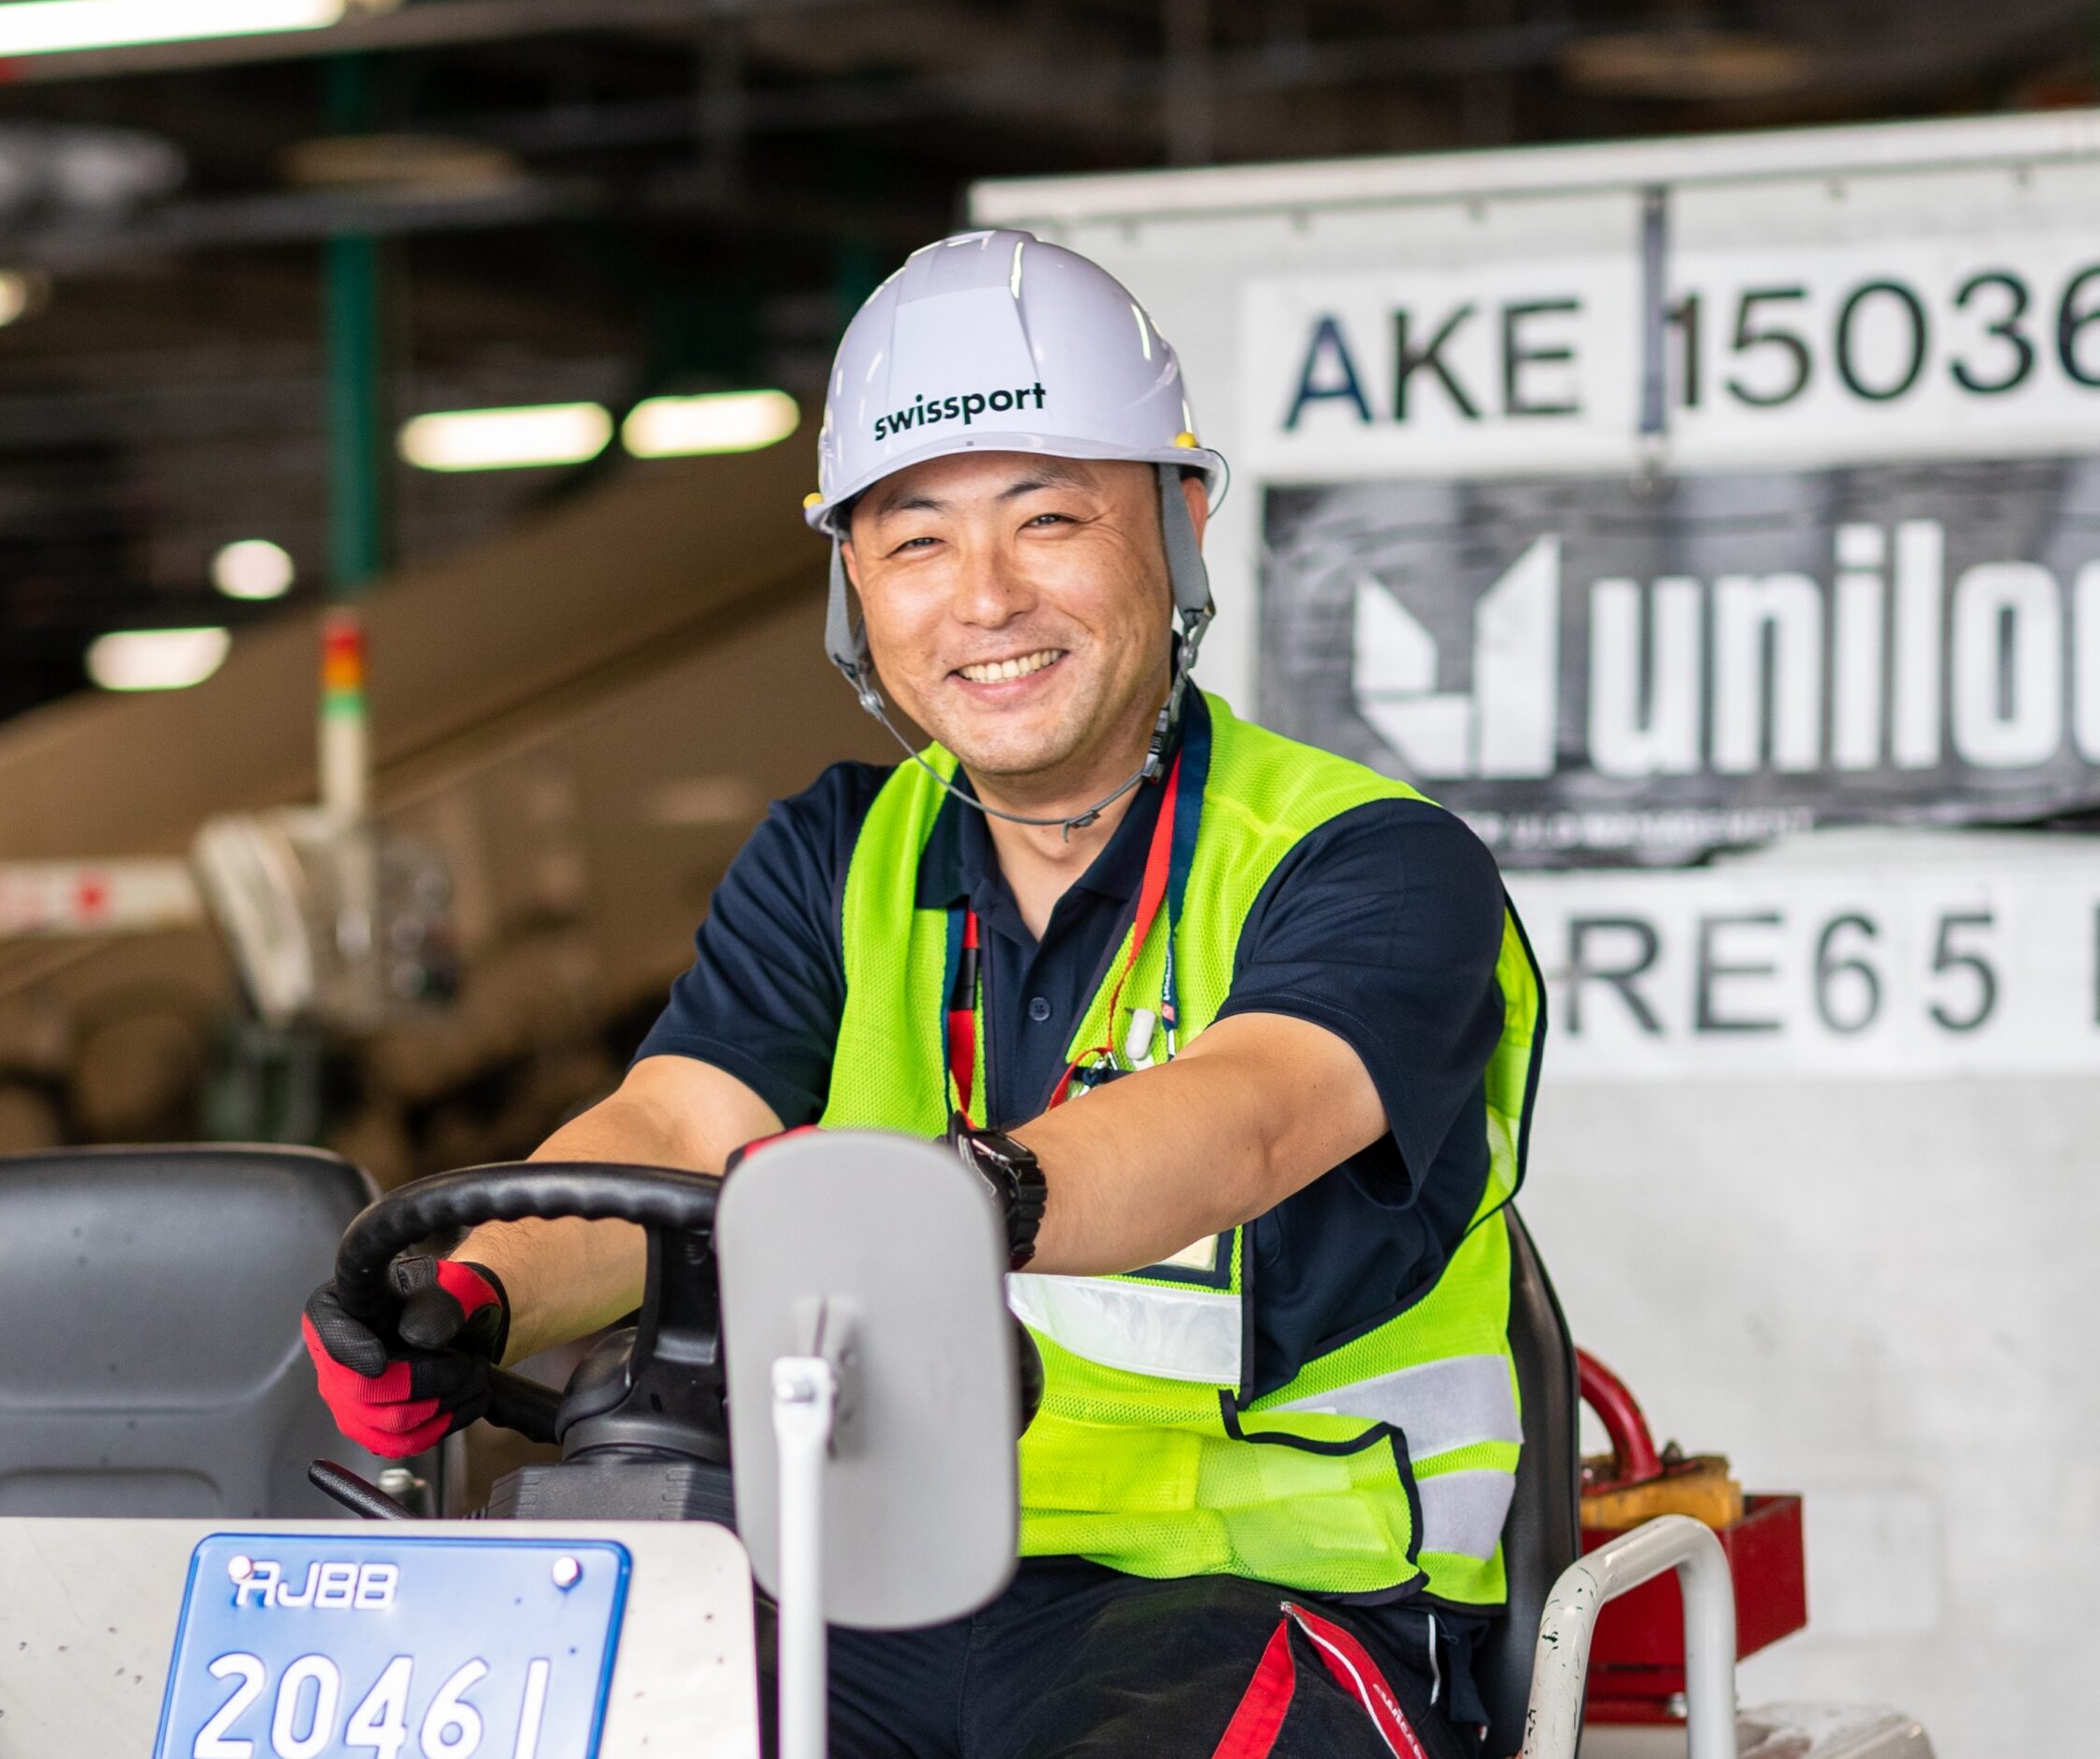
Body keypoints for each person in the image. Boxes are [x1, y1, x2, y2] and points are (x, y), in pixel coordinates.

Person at [305, 229, 1545, 1759]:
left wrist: (974, 1197)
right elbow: (673, 1130)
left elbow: (1252, 1113)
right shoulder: (839, 855)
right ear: (853, 582)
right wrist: (469, 1290)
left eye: (1048, 518)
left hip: (1271, 1596)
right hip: (871, 1587)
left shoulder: (1371, 860)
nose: (986, 598)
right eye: (916, 542)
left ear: (1182, 519)